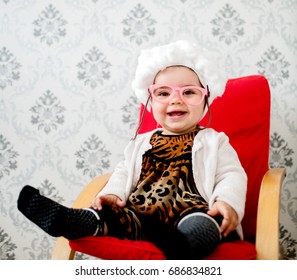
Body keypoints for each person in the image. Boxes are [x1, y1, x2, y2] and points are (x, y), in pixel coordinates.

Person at [17, 40, 247, 259]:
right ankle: (71, 220)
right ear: (151, 101)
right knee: (110, 217)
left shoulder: (214, 141)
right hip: (139, 216)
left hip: (189, 211)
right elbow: (123, 173)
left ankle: (185, 244)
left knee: (206, 222)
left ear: (205, 99)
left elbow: (231, 175)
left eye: (188, 92)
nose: (176, 100)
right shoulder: (140, 142)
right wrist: (112, 195)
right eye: (164, 93)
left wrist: (225, 202)